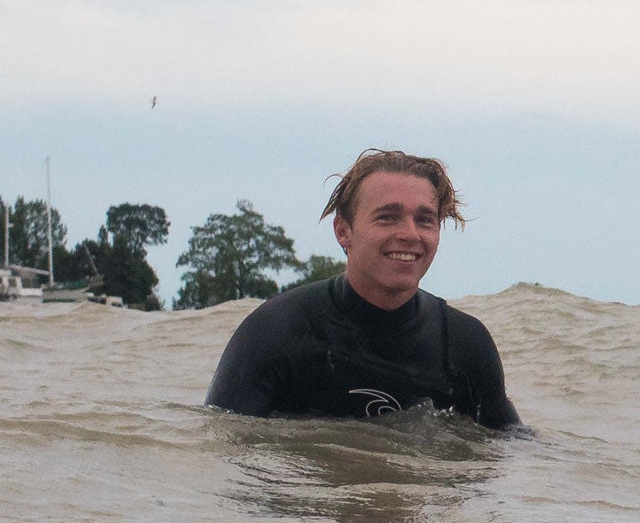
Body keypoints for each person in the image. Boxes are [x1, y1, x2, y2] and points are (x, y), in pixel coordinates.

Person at [206, 149, 521, 427]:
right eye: (388, 218)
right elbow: (221, 451)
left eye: (425, 220)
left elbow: (511, 457)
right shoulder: (275, 331)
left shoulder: (465, 345)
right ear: (343, 230)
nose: (410, 234)